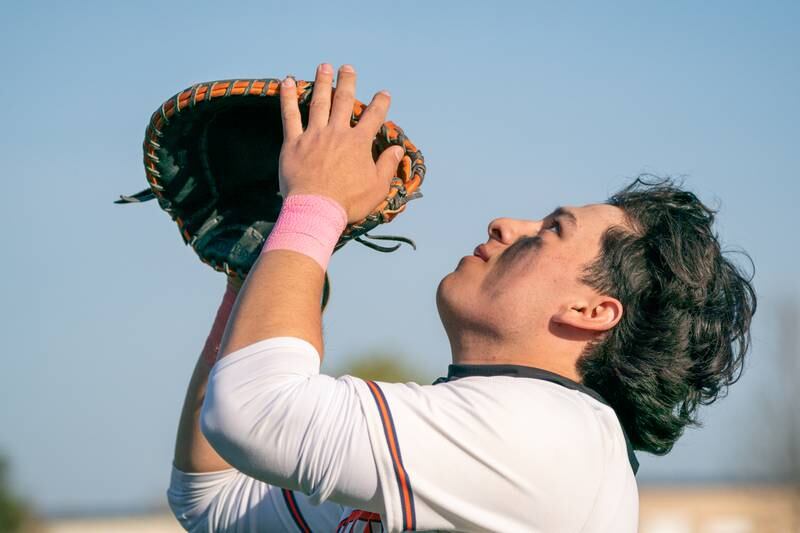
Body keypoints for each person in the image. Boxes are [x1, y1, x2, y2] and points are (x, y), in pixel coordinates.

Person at [166, 63, 756, 532]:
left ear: (592, 312)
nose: (506, 224)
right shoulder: (485, 427)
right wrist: (262, 265)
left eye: (552, 229)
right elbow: (216, 502)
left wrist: (314, 205)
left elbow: (254, 412)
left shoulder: (553, 435)